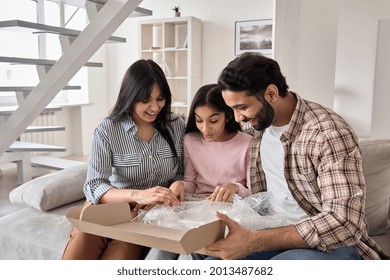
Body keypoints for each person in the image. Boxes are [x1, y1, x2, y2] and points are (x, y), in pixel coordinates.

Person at [204, 52, 389, 260]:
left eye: (242, 107)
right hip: (272, 229)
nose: (239, 118)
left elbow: (345, 222)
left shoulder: (327, 133)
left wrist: (254, 241)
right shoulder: (259, 124)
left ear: (272, 94)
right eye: (233, 109)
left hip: (329, 244)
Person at [62, 59, 185, 260]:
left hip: (148, 213)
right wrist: (138, 195)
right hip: (109, 206)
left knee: (121, 255)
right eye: (146, 100)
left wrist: (178, 184)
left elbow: (181, 173)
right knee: (80, 249)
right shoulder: (107, 130)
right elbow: (94, 185)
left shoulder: (175, 125)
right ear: (130, 96)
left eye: (160, 98)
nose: (154, 107)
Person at [145, 83, 253, 260]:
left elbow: (253, 191)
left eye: (213, 120)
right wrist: (179, 184)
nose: (205, 128)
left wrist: (234, 187)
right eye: (199, 120)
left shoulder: (247, 143)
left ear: (227, 116)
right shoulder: (191, 140)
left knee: (188, 255)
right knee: (162, 247)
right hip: (195, 209)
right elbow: (191, 182)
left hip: (228, 214)